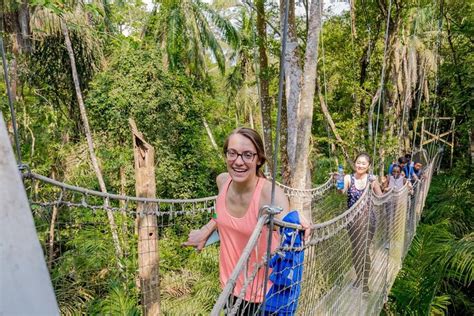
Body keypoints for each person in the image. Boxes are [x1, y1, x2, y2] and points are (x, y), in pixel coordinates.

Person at [182, 127, 309, 315]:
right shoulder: (223, 181)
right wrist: (206, 230)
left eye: (248, 155)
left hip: (263, 295)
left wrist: (297, 218)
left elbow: (287, 228)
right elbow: (221, 213)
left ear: (258, 159)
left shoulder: (269, 194)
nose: (238, 161)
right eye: (232, 153)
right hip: (230, 286)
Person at [339, 153, 382, 294]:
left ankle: (365, 283)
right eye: (358, 162)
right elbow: (342, 192)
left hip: (368, 220)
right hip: (352, 221)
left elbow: (380, 197)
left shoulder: (371, 179)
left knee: (364, 250)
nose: (360, 165)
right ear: (355, 163)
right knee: (356, 249)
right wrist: (339, 183)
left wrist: (376, 186)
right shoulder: (348, 178)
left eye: (364, 163)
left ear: (368, 165)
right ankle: (359, 277)